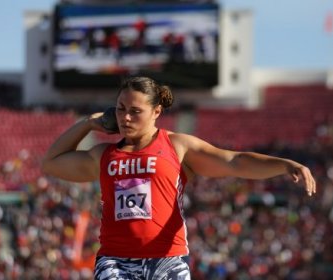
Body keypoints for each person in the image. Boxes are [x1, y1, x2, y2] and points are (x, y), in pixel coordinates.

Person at [41, 76, 316, 280]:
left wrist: (283, 164)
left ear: (156, 112)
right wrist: (88, 122)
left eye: (135, 111)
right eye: (121, 108)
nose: (125, 117)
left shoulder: (177, 146)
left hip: (167, 260)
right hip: (116, 262)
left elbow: (234, 161)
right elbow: (52, 162)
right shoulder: (103, 156)